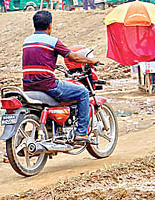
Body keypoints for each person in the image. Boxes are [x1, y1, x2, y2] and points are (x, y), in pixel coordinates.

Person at [23, 10, 100, 143]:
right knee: (82, 92)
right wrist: (91, 61)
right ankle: (81, 133)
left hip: (28, 85)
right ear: (50, 26)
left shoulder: (27, 41)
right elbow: (73, 57)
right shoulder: (53, 42)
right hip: (47, 85)